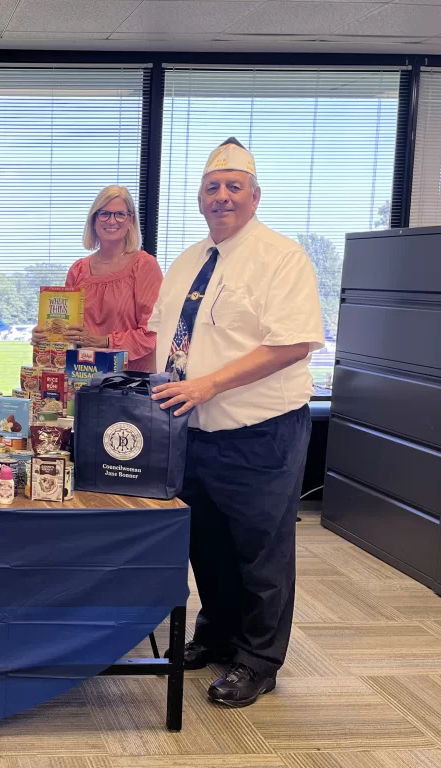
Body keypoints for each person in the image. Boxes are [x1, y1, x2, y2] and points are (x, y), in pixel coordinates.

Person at [150, 138, 324, 707]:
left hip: (260, 433)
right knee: (209, 545)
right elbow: (171, 341)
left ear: (254, 195)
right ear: (200, 197)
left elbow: (294, 342)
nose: (221, 197)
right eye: (211, 187)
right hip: (191, 432)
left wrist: (210, 384)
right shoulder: (189, 259)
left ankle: (257, 660)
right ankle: (217, 635)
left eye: (233, 187)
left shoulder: (281, 257)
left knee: (261, 551)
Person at [31, 186, 162, 371]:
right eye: (104, 214)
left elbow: (151, 333)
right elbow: (68, 333)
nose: (112, 221)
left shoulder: (144, 265)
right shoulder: (78, 270)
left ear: (130, 220)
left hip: (129, 384)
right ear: (94, 220)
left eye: (120, 214)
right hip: (82, 378)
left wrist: (103, 341)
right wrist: (45, 337)